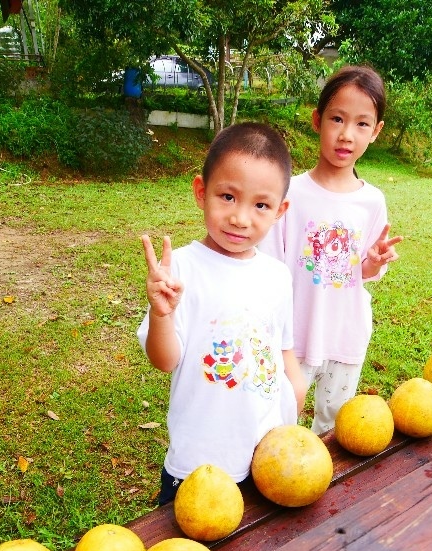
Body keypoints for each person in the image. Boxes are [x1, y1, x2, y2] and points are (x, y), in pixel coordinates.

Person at [138, 123, 307, 505]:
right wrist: (161, 314)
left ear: (280, 210)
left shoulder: (277, 276)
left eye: (260, 205)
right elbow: (164, 361)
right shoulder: (181, 270)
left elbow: (282, 350)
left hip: (265, 460)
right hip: (198, 468)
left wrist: (295, 393)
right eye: (228, 197)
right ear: (202, 192)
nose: (240, 218)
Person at [260, 65, 403, 434]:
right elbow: (270, 268)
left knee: (334, 430)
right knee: (279, 424)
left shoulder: (372, 201)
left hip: (344, 334)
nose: (346, 135)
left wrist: (373, 262)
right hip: (294, 336)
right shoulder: (289, 192)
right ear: (317, 120)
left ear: (376, 131)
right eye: (337, 119)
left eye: (361, 124)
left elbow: (364, 273)